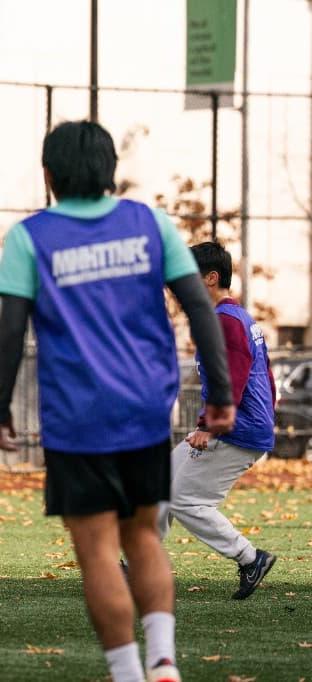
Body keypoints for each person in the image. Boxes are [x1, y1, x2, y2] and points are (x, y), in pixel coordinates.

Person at [0, 120, 235, 682]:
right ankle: (165, 662)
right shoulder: (149, 223)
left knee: (98, 550)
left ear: (48, 176)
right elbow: (200, 306)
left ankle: (128, 674)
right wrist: (219, 393)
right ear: (111, 172)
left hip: (76, 421)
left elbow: (10, 332)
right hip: (145, 412)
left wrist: (0, 405)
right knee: (142, 535)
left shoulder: (30, 238)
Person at [159, 241, 276, 599]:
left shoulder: (225, 321)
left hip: (235, 429)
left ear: (210, 278)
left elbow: (235, 379)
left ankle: (250, 558)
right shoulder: (234, 317)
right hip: (237, 423)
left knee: (185, 500)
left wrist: (210, 426)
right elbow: (266, 376)